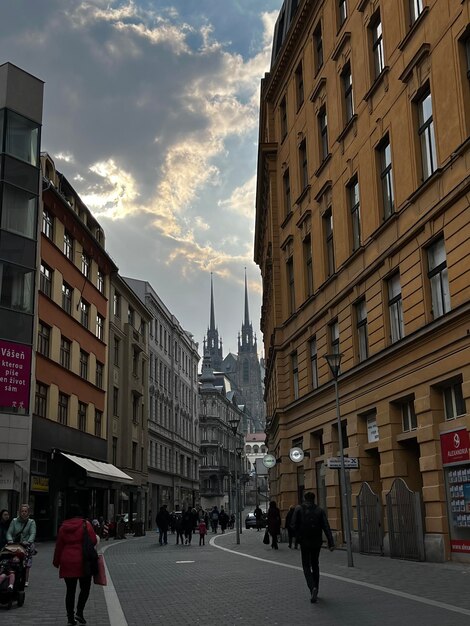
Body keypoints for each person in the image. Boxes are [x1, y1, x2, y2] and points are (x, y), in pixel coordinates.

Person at [53, 505, 98, 626]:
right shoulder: (85, 524)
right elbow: (93, 540)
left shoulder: (63, 527)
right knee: (85, 588)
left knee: (70, 590)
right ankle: (79, 612)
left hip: (67, 560)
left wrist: (56, 562)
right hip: (84, 561)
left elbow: (59, 546)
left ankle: (70, 618)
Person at [291, 491, 334, 604]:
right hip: (317, 541)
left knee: (306, 565)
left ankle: (312, 588)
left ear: (305, 499)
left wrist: (298, 537)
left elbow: (293, 525)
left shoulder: (299, 509)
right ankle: (316, 588)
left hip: (305, 541)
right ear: (314, 499)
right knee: (315, 564)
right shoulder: (319, 510)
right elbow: (326, 526)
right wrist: (331, 542)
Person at [6, 503, 36, 587]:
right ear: (19, 512)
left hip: (26, 544)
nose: (24, 513)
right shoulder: (14, 521)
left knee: (26, 563)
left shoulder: (31, 522)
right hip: (15, 544)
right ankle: (11, 576)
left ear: (28, 513)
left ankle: (25, 579)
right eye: (22, 511)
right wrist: (10, 540)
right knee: (12, 560)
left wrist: (29, 541)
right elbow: (9, 532)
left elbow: (32, 533)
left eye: (25, 511)